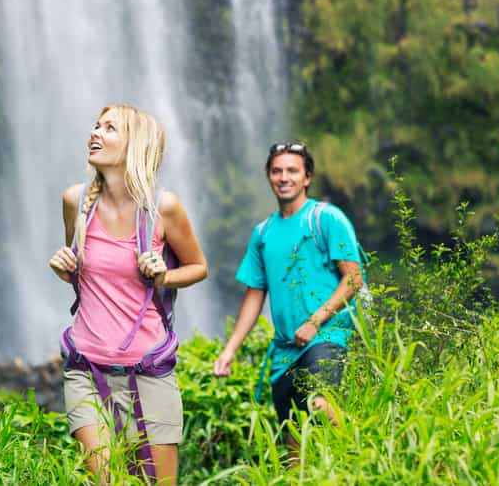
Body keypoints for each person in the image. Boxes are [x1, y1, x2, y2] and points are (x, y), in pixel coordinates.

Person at [48, 104, 208, 484]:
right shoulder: (75, 200)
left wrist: (164, 276)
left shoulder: (162, 209)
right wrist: (64, 270)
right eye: (95, 126)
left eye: (110, 128)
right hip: (85, 370)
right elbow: (81, 272)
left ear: (135, 145)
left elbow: (198, 267)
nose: (95, 133)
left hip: (148, 372)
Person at [213, 141, 369, 447]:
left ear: (307, 177)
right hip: (285, 348)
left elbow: (353, 279)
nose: (284, 177)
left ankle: (356, 464)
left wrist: (315, 321)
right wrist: (230, 348)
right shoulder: (263, 233)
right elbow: (255, 295)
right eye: (277, 171)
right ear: (269, 176)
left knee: (320, 404)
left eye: (292, 171)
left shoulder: (326, 218)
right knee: (293, 435)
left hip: (327, 334)